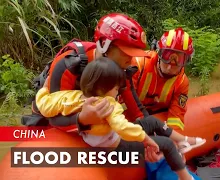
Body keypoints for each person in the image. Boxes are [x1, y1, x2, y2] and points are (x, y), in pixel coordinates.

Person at [21, 12, 162, 162]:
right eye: (127, 52)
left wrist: (150, 137)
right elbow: (53, 117)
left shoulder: (121, 68)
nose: (131, 59)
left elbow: (137, 110)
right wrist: (82, 119)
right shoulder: (69, 65)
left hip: (85, 122)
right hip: (49, 118)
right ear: (104, 45)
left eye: (134, 53)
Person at [35, 57, 204, 180]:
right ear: (107, 88)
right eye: (117, 89)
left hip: (106, 137)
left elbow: (47, 104)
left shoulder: (74, 97)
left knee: (151, 121)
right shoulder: (109, 105)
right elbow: (122, 127)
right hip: (116, 145)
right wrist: (145, 139)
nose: (118, 93)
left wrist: (43, 89)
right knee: (166, 144)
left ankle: (183, 140)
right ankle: (184, 177)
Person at [120, 27, 194, 131]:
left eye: (179, 59)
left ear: (186, 61)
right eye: (167, 56)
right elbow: (124, 102)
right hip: (129, 121)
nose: (170, 65)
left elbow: (176, 115)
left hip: (156, 118)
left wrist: (171, 137)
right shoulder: (138, 66)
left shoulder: (182, 82)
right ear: (159, 52)